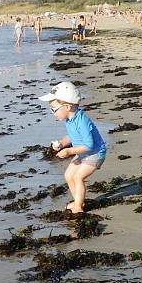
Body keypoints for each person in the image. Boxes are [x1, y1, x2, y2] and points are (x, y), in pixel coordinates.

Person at [39, 81, 106, 214]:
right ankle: (78, 201)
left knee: (78, 178)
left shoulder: (82, 122)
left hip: (95, 154)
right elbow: (70, 136)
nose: (53, 113)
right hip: (83, 153)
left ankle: (78, 207)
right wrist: (62, 144)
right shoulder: (70, 120)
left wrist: (69, 151)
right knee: (68, 175)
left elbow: (88, 145)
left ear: (67, 107)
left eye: (54, 109)